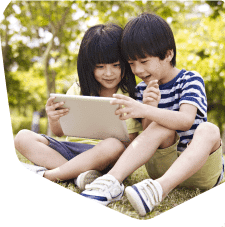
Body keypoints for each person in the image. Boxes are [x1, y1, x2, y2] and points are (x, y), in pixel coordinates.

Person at [80, 13, 224, 216]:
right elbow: (148, 138)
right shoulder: (142, 90)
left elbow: (185, 121)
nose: (138, 69)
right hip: (163, 166)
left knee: (209, 130)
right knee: (158, 127)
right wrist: (149, 107)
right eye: (131, 63)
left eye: (144, 61)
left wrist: (147, 109)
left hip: (201, 171)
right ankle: (111, 182)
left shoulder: (190, 79)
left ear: (168, 54)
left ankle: (159, 190)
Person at [14, 23, 142, 191]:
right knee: (22, 137)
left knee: (114, 145)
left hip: (107, 158)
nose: (109, 73)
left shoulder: (129, 96)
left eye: (115, 65)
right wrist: (53, 118)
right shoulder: (77, 90)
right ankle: (79, 176)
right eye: (100, 66)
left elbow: (131, 145)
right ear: (89, 67)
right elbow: (60, 132)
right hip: (71, 150)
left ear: (125, 64)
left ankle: (51, 175)